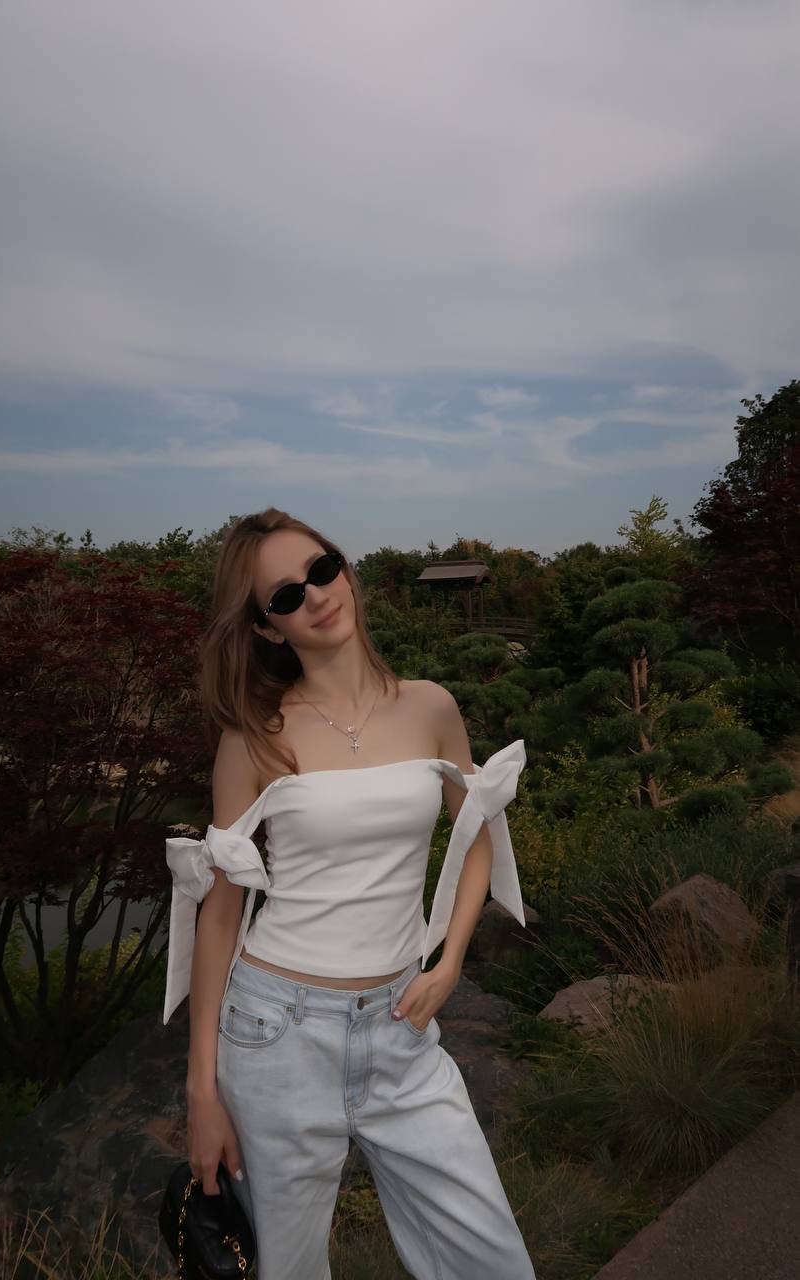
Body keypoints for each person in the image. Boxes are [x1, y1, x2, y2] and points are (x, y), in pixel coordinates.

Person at [163, 507, 536, 1280]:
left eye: (321, 569)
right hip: (276, 1032)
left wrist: (449, 960)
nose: (315, 595)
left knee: (489, 1258)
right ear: (266, 627)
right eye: (285, 595)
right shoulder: (255, 735)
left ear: (345, 569)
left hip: (401, 1026)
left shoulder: (430, 706)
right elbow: (220, 914)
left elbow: (475, 837)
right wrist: (203, 1092)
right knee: (289, 1268)